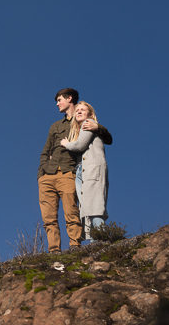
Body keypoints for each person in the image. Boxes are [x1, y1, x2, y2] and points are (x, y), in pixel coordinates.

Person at [37, 88, 84, 253]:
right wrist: (41, 172)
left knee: (71, 211)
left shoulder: (82, 121)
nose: (57, 104)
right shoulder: (55, 126)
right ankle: (54, 250)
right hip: (47, 175)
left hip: (67, 173)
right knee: (48, 218)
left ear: (69, 98)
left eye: (59, 100)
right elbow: (45, 151)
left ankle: (75, 246)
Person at [60, 101, 109, 241]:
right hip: (83, 170)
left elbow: (79, 146)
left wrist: (66, 144)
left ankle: (101, 241)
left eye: (83, 109)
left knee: (95, 206)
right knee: (87, 208)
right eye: (77, 110)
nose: (79, 112)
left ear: (89, 113)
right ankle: (95, 242)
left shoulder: (88, 123)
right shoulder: (81, 128)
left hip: (92, 169)